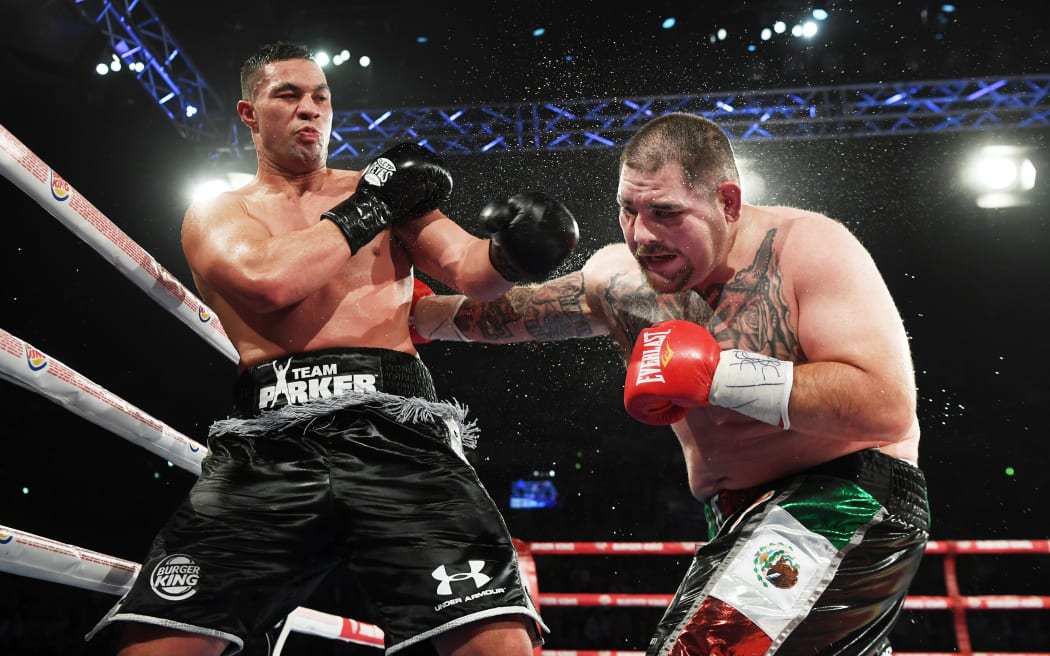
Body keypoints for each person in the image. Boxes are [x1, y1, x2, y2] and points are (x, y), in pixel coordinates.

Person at [85, 41, 579, 656]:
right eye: (287, 96)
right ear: (248, 112)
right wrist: (372, 205)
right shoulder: (220, 211)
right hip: (270, 444)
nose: (309, 109)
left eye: (320, 97)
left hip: (398, 434)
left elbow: (469, 270)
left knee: (496, 645)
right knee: (157, 647)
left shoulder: (395, 198)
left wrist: (516, 250)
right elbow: (269, 282)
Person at [411, 112, 930, 655]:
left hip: (844, 496)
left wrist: (717, 375)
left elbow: (885, 406)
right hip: (737, 516)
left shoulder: (806, 249)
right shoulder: (621, 281)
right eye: (627, 210)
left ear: (727, 202)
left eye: (665, 213)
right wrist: (412, 316)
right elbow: (509, 314)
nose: (641, 234)